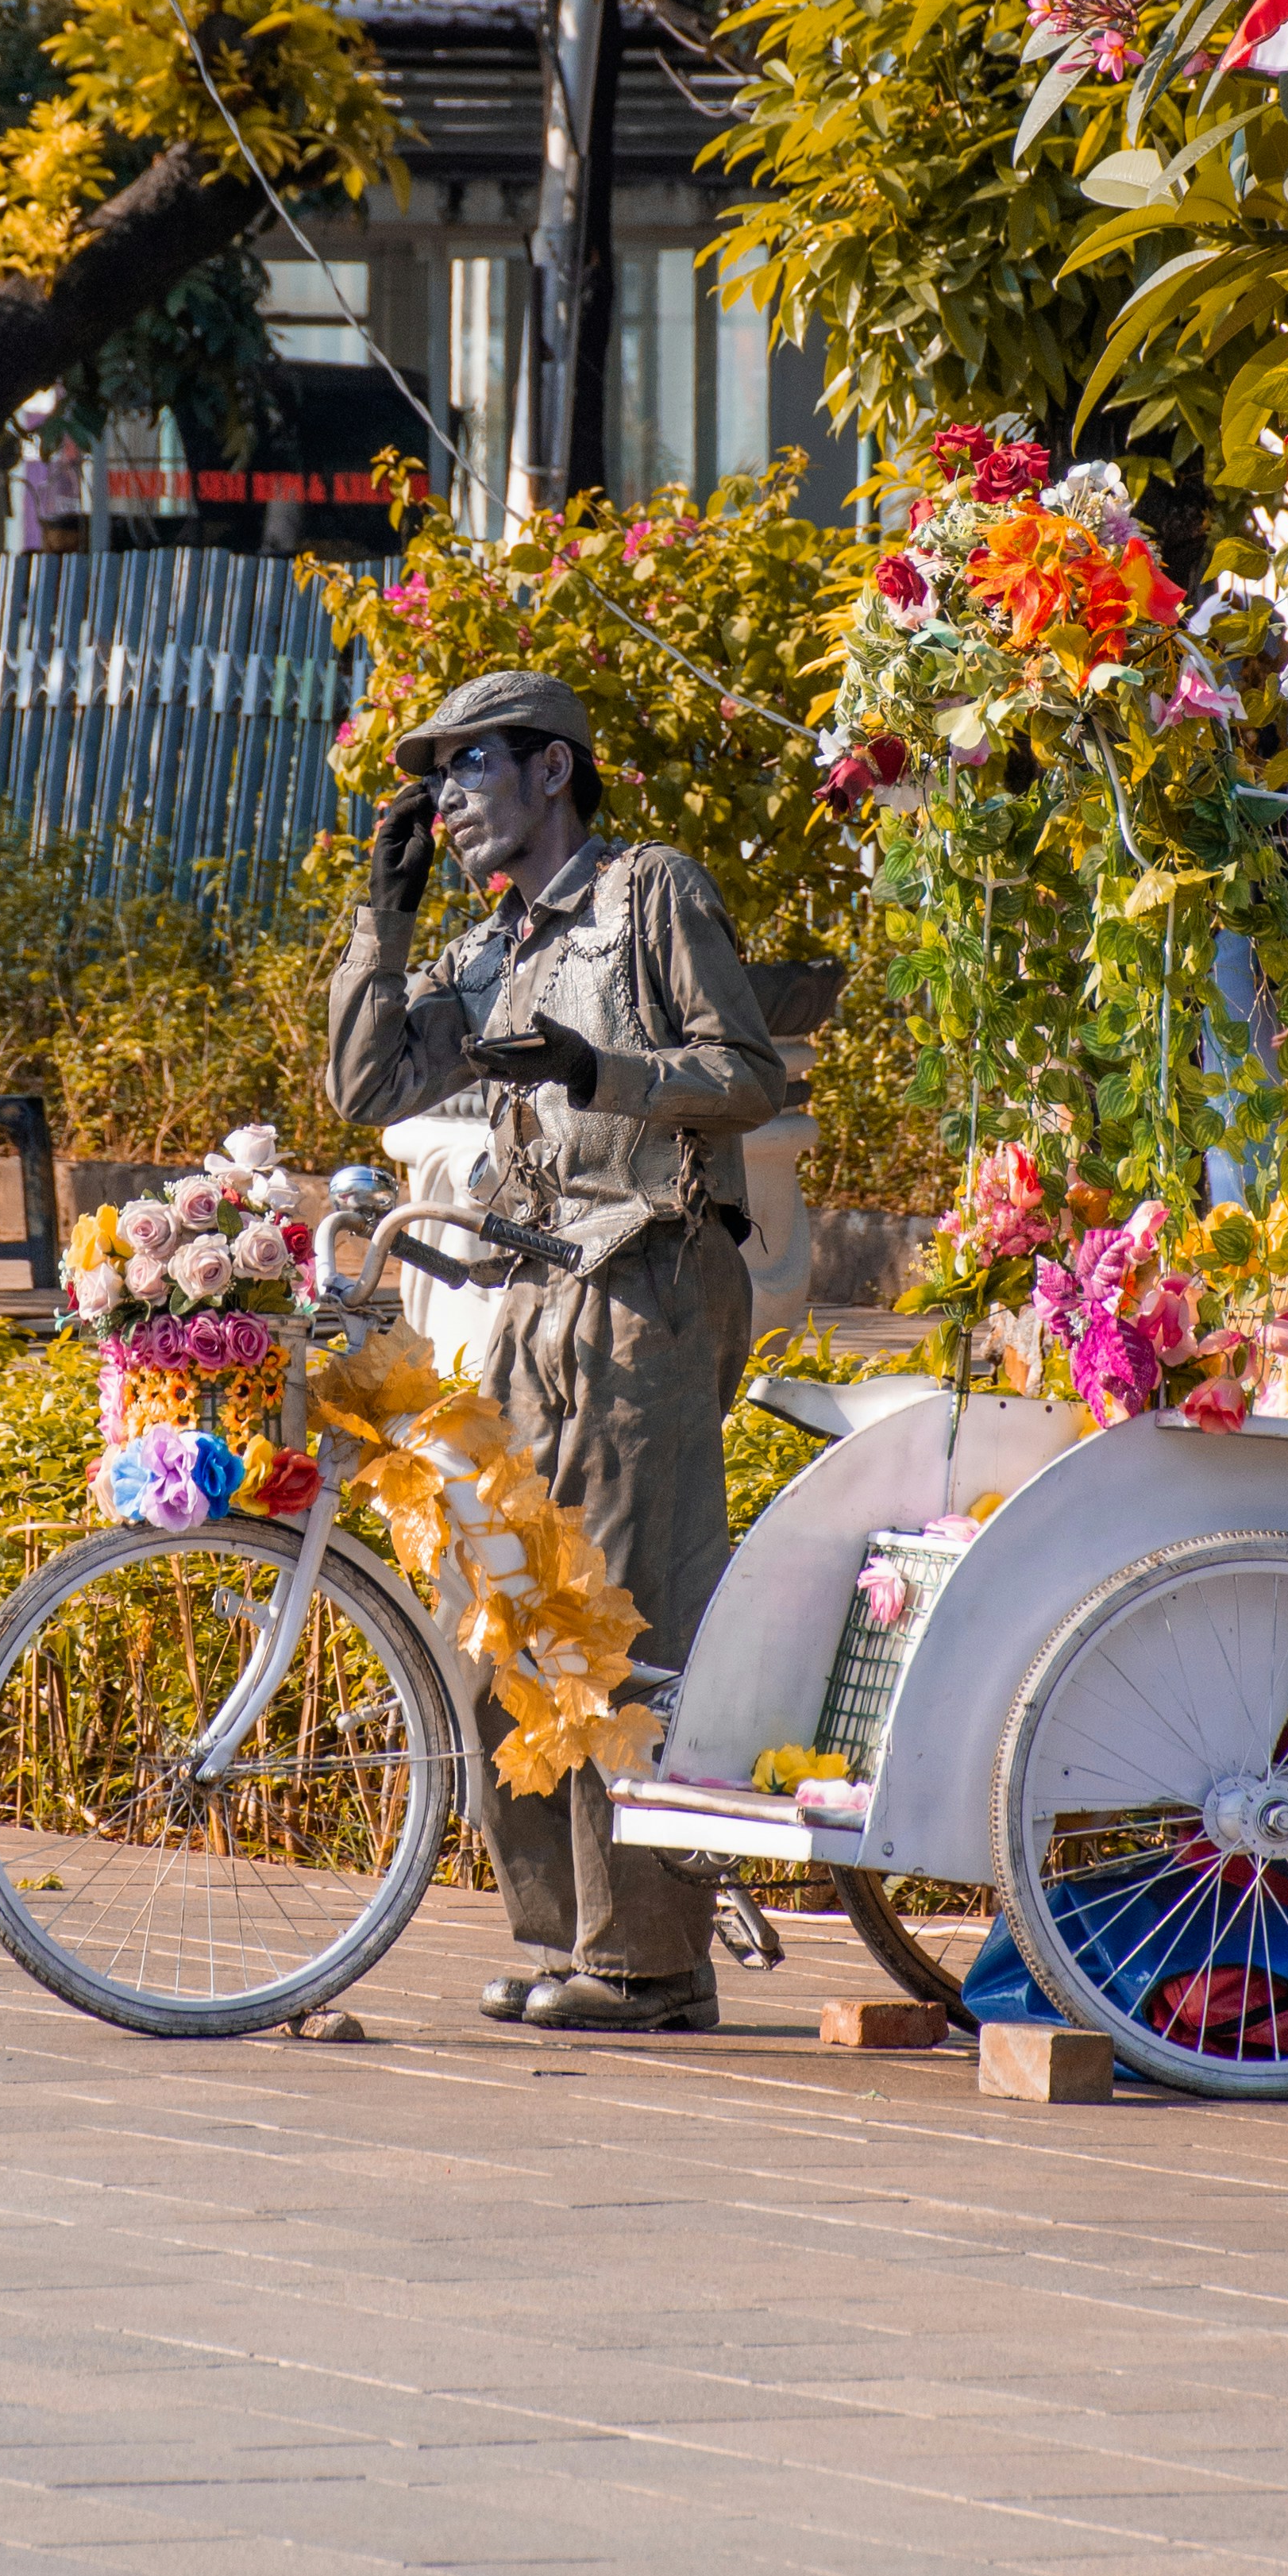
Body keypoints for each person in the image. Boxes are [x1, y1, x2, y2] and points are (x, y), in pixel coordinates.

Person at [326, 669, 785, 2037]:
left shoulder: (646, 893)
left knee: (625, 1614)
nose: (449, 799)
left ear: (554, 769)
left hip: (648, 1273)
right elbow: (367, 1086)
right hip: (521, 1291)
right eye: (436, 778)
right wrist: (383, 906)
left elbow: (747, 1071)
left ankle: (648, 1959)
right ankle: (560, 1935)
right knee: (507, 1609)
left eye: (471, 766)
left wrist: (605, 1075)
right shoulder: (488, 943)